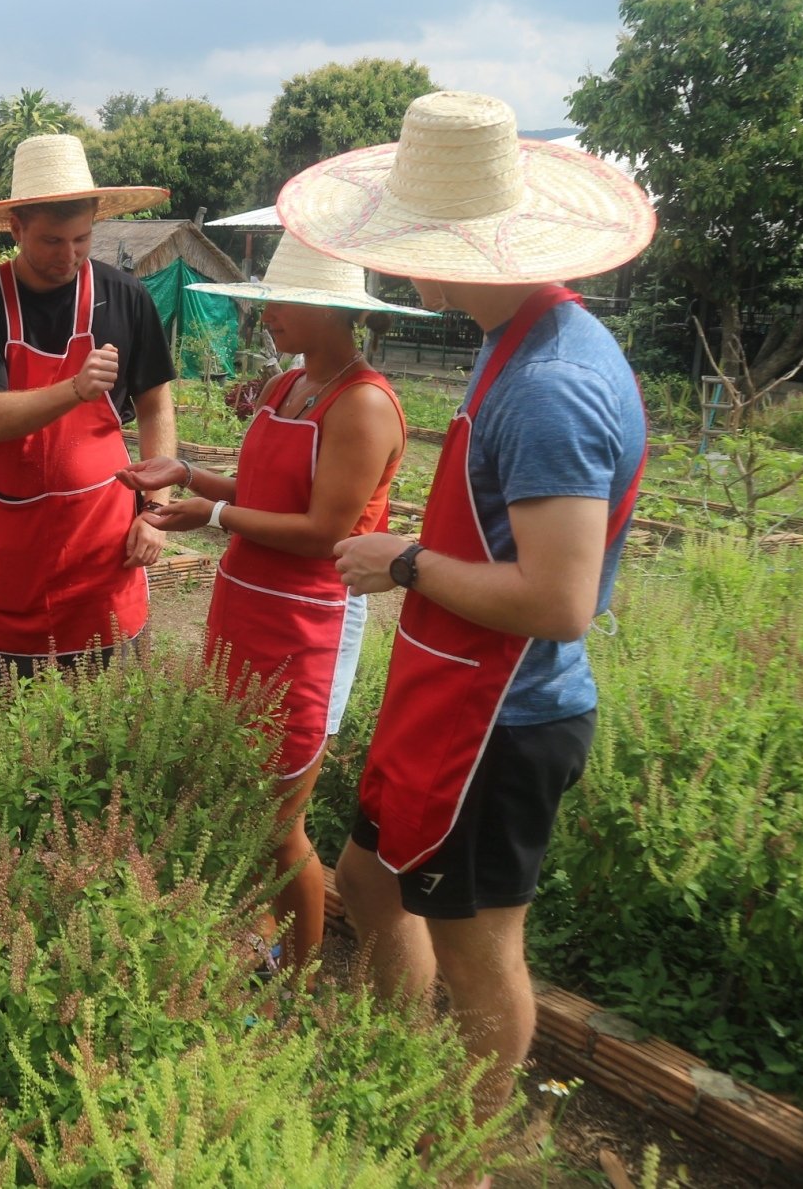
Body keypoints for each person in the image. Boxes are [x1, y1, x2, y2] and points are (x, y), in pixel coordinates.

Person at [285, 91, 654, 1128]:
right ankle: (383, 1059)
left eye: (403, 240)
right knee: (366, 881)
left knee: (478, 949)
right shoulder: (513, 339)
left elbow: (556, 598)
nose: (393, 263)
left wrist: (404, 561)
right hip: (450, 692)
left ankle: (460, 1135)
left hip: (503, 720)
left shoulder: (548, 386)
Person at [120, 237, 424, 972]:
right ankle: (265, 942)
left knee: (280, 817)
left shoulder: (362, 405)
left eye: (280, 300)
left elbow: (324, 531)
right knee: (239, 791)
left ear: (330, 307)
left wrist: (213, 516)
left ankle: (300, 975)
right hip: (245, 610)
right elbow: (263, 487)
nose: (266, 312)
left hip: (306, 622)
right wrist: (190, 471)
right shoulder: (293, 387)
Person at [0, 134, 176, 686]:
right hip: (9, 539)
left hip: (101, 534)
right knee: (9, 694)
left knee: (96, 698)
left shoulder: (126, 297)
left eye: (81, 239)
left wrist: (157, 508)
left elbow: (156, 405)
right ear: (16, 228)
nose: (68, 256)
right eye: (50, 241)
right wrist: (73, 389)